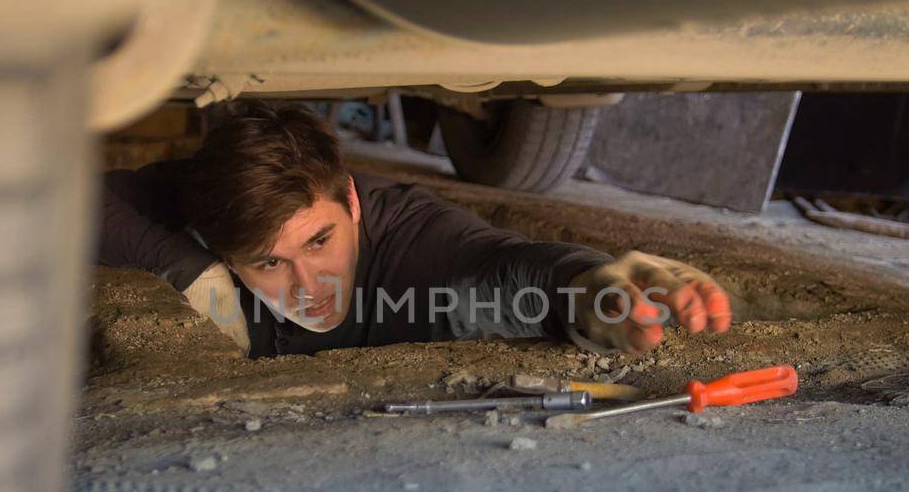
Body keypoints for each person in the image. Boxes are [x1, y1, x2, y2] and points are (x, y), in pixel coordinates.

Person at [98, 101, 731, 357]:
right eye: (267, 262)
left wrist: (592, 287)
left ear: (350, 200)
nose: (307, 284)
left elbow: (496, 269)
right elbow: (71, 202)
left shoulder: (411, 235)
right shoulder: (207, 208)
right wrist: (189, 269)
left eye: (320, 241)